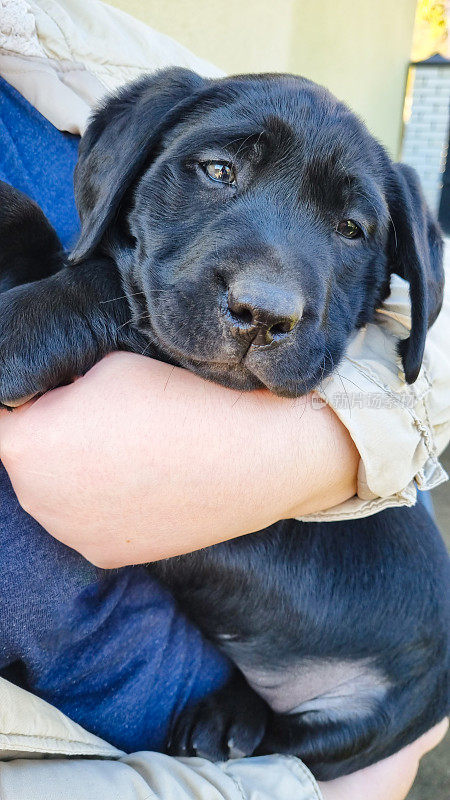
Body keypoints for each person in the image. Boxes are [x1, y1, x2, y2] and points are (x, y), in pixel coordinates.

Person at [0, 2, 448, 799]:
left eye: (349, 228)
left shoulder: (76, 55)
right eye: (219, 172)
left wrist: (346, 437)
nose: (272, 291)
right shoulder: (151, 119)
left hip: (374, 694)